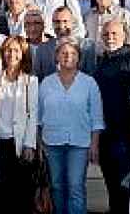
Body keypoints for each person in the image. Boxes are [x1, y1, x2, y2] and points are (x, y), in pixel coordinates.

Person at [37, 38, 104, 214]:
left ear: (79, 57)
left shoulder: (89, 83)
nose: (68, 57)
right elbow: (38, 116)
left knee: (75, 187)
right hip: (52, 142)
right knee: (57, 186)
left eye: (73, 53)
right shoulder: (46, 83)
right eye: (64, 53)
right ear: (56, 56)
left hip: (79, 143)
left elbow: (97, 117)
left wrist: (94, 144)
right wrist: (39, 143)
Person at [0, 35, 38, 214]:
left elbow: (33, 115)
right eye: (8, 50)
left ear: (23, 54)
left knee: (20, 192)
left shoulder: (30, 81)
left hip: (18, 142)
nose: (11, 54)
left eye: (16, 50)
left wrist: (29, 144)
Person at [92, 18, 130, 214]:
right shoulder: (100, 62)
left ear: (124, 35)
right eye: (106, 34)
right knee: (112, 190)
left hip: (126, 137)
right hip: (106, 136)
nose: (110, 37)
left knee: (127, 192)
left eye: (114, 33)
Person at [30, 7, 96, 79]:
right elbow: (37, 78)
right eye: (57, 22)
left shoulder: (87, 46)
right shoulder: (42, 49)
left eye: (65, 21)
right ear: (52, 23)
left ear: (72, 22)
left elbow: (91, 76)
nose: (61, 26)